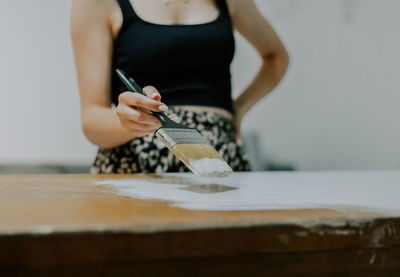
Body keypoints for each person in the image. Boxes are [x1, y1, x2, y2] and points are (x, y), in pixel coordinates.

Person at [70, 0, 289, 174]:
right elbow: (92, 120)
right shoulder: (95, 2)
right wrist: (131, 123)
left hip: (217, 157)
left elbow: (276, 57)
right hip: (138, 165)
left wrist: (239, 108)